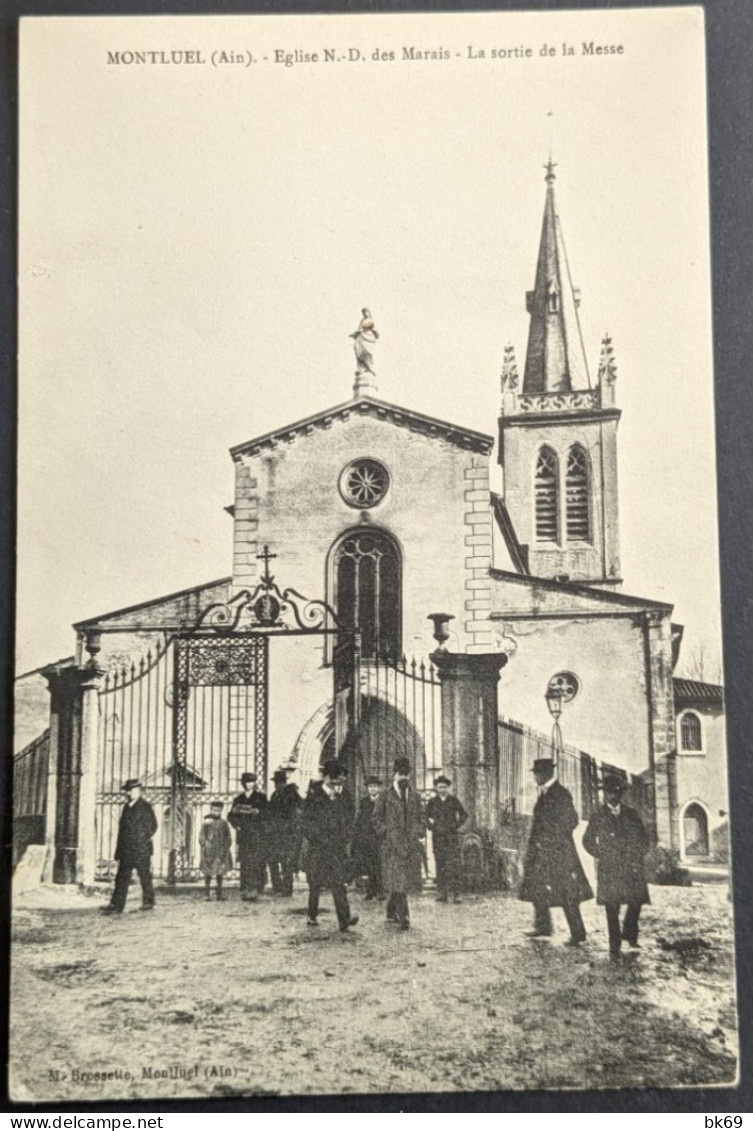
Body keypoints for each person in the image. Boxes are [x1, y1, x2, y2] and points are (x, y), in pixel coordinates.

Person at [519, 758, 593, 945]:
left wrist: (552, 841)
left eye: (536, 773)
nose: (534, 776)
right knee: (538, 887)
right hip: (541, 852)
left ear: (544, 774)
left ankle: (578, 933)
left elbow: (571, 820)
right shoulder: (545, 793)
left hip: (559, 853)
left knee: (568, 892)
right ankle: (543, 926)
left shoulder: (560, 794)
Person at [582, 775, 650, 960]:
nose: (612, 795)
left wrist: (638, 853)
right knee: (612, 907)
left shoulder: (631, 814)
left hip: (630, 866)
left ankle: (630, 932)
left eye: (616, 791)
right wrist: (601, 853)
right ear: (605, 793)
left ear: (621, 793)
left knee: (636, 900)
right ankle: (615, 945)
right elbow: (587, 840)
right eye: (609, 792)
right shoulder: (598, 816)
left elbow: (645, 838)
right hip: (610, 868)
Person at [301, 760, 359, 932]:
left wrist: (344, 837)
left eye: (340, 779)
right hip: (318, 848)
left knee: (338, 883)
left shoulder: (342, 796)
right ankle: (311, 914)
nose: (339, 782)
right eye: (336, 778)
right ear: (327, 777)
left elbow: (349, 819)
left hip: (335, 848)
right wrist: (316, 838)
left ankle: (344, 919)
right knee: (315, 884)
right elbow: (305, 823)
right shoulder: (313, 796)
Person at [373, 757, 425, 930]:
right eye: (400, 774)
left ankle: (391, 908)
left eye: (406, 774)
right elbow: (376, 818)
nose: (404, 777)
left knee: (401, 880)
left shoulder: (415, 795)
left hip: (409, 843)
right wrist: (386, 832)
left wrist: (418, 830)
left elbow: (421, 817)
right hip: (392, 845)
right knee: (399, 879)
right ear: (394, 774)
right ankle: (405, 917)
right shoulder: (384, 795)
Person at [101, 779, 158, 915]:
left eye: (134, 790)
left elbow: (153, 826)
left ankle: (148, 902)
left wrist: (141, 838)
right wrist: (119, 850)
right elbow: (122, 830)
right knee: (122, 877)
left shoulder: (145, 806)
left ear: (138, 791)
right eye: (129, 790)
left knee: (144, 876)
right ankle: (116, 904)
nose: (131, 792)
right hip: (127, 849)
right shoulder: (127, 807)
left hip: (141, 849)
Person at [425, 774, 468, 903]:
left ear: (448, 787)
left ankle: (456, 893)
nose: (442, 789)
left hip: (451, 838)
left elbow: (464, 815)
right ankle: (442, 893)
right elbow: (424, 816)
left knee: (453, 865)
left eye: (444, 787)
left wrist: (456, 826)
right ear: (436, 788)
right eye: (439, 787)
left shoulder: (453, 800)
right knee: (440, 865)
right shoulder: (432, 802)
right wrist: (431, 826)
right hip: (438, 838)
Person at [228, 772, 268, 902]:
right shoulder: (238, 799)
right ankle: (245, 888)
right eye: (246, 781)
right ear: (243, 783)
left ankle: (257, 888)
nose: (248, 784)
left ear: (255, 783)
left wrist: (259, 812)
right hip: (244, 834)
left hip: (257, 834)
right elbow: (231, 816)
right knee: (245, 861)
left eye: (251, 781)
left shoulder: (261, 798)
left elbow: (268, 814)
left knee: (257, 861)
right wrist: (237, 825)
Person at [267, 768, 302, 897]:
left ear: (284, 782)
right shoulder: (274, 795)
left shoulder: (290, 793)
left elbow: (300, 806)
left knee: (286, 862)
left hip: (287, 833)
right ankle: (277, 887)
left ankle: (287, 889)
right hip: (274, 833)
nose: (278, 785)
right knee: (273, 861)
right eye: (276, 782)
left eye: (280, 782)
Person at [350, 775, 384, 900]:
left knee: (379, 864)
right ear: (367, 788)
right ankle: (371, 891)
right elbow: (361, 819)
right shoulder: (364, 802)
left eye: (375, 786)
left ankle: (381, 891)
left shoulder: (383, 801)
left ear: (379, 788)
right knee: (369, 865)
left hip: (379, 837)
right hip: (367, 837)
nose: (373, 789)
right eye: (370, 787)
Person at [198, 800, 233, 901]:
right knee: (208, 873)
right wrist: (204, 843)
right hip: (209, 851)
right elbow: (201, 835)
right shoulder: (206, 823)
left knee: (220, 873)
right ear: (211, 810)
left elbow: (228, 836)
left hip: (220, 851)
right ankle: (206, 894)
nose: (216, 812)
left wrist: (227, 844)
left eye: (218, 810)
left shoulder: (224, 823)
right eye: (214, 810)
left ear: (221, 811)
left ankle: (219, 893)